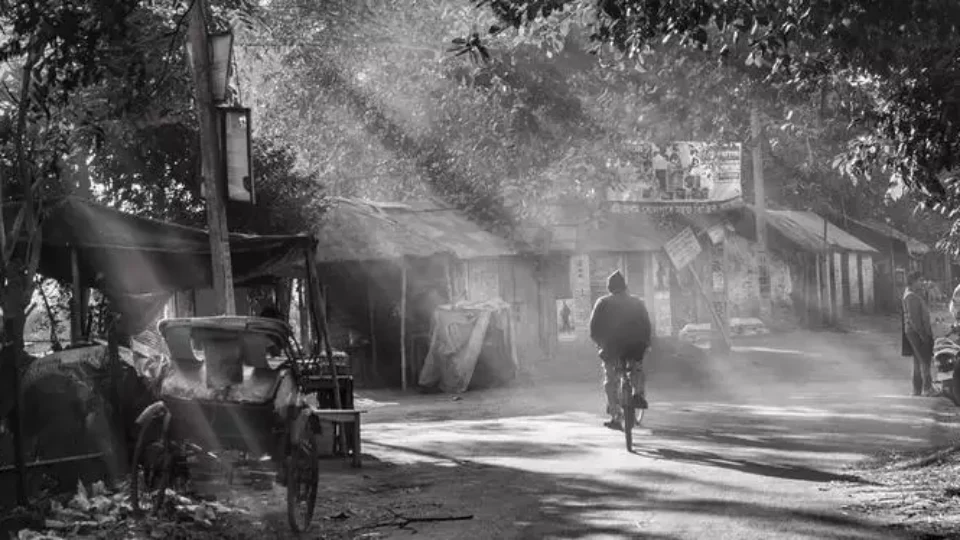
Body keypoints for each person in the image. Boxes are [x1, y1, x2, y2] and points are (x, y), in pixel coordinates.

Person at [589, 270, 653, 431]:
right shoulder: (637, 302)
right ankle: (638, 394)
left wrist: (600, 344)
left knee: (610, 380)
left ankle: (615, 415)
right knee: (637, 369)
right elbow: (646, 326)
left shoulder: (602, 302)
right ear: (625, 287)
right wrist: (646, 344)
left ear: (609, 288)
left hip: (611, 350)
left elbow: (593, 329)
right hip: (635, 347)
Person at [902, 271, 935, 396]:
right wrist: (923, 335)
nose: (922, 283)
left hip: (914, 331)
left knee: (918, 360)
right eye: (920, 280)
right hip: (916, 332)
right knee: (924, 360)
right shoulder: (911, 296)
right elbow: (914, 319)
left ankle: (917, 389)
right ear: (913, 281)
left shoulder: (913, 294)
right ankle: (928, 389)